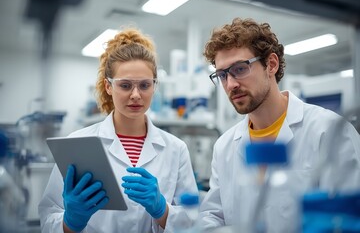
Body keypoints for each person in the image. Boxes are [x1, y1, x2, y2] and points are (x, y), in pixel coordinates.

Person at [198, 17, 360, 232]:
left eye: (239, 69)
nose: (231, 84)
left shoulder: (328, 132)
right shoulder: (224, 146)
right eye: (222, 75)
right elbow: (213, 216)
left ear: (271, 64)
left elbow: (348, 219)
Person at [39, 27, 198, 233]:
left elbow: (193, 220)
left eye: (144, 85)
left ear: (154, 86)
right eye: (125, 85)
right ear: (108, 86)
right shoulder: (78, 142)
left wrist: (163, 210)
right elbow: (48, 216)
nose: (135, 95)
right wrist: (71, 221)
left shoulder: (176, 149)